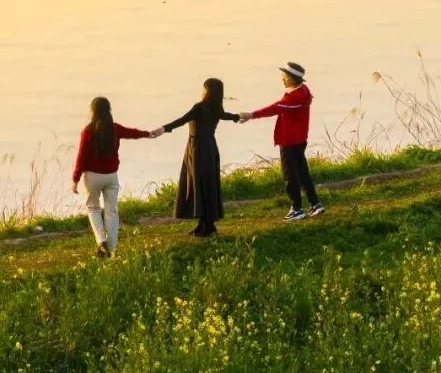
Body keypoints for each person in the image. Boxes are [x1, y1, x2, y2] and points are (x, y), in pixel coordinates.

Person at [71, 96, 156, 259]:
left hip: (92, 177)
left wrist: (75, 179)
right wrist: (148, 134)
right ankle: (111, 248)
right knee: (112, 212)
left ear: (93, 111)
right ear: (109, 110)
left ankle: (101, 242)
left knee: (93, 208)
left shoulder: (87, 132)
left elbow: (81, 158)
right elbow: (132, 133)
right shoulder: (115, 129)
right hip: (111, 176)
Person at [238, 62, 324, 221]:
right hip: (299, 138)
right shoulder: (303, 90)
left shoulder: (295, 96)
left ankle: (297, 209)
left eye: (285, 77)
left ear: (292, 78)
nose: (282, 79)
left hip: (290, 141)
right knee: (302, 172)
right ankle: (315, 204)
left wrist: (251, 115)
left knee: (289, 175)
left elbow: (275, 108)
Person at [153, 78, 239, 237]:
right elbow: (227, 116)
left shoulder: (199, 107)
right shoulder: (216, 108)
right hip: (209, 147)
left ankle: (208, 226)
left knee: (199, 184)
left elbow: (182, 120)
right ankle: (203, 223)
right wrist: (237, 117)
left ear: (207, 90)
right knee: (207, 184)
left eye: (204, 87)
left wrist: (164, 128)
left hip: (198, 148)